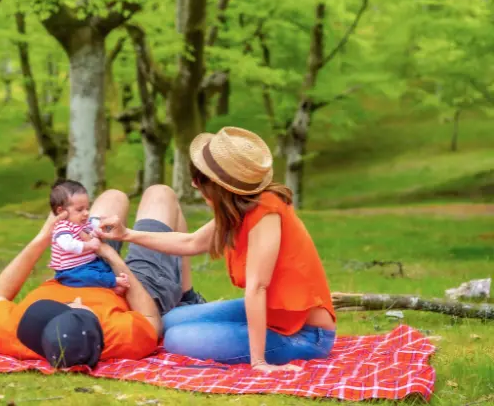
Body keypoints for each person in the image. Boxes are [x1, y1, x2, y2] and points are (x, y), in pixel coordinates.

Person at [95, 127, 337, 373]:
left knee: (175, 339)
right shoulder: (240, 208)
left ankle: (260, 352)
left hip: (306, 334)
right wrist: (125, 234)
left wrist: (259, 362)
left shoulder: (266, 210)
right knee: (168, 322)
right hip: (274, 316)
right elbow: (191, 243)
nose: (193, 183)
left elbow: (257, 287)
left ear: (219, 186)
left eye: (199, 179)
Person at [0, 187, 206, 368]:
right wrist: (110, 256)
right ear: (81, 309)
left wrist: (44, 237)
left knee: (113, 196)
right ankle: (186, 296)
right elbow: (150, 318)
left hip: (75, 271)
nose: (66, 302)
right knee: (160, 195)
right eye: (67, 307)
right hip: (132, 289)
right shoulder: (118, 336)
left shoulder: (17, 333)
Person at [48, 179, 130, 294]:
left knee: (104, 267)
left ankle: (111, 284)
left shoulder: (81, 222)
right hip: (71, 270)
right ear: (61, 211)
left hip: (88, 262)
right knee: (88, 276)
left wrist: (101, 222)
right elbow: (68, 245)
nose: (86, 213)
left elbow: (92, 226)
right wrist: (88, 245)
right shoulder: (62, 227)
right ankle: (113, 281)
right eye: (80, 209)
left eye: (87, 208)